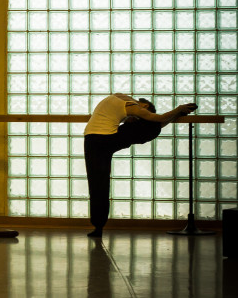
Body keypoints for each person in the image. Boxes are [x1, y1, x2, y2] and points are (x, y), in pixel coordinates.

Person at [84, 94, 197, 237]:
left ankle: (98, 226)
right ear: (145, 106)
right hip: (103, 140)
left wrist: (174, 115)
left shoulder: (121, 97)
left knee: (97, 184)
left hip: (92, 139)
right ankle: (98, 225)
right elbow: (159, 120)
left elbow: (155, 121)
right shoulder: (133, 106)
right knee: (151, 126)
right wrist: (178, 110)